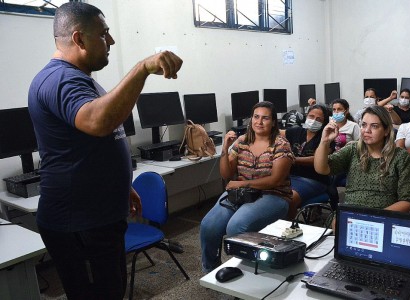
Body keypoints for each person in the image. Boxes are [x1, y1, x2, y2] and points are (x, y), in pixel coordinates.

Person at [27, 3, 182, 298]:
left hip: (96, 218)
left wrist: (121, 187)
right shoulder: (61, 80)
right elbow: (98, 122)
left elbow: (97, 140)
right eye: (104, 34)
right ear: (79, 39)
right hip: (79, 224)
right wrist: (142, 68)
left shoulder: (80, 80)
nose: (111, 41)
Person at [200, 101, 294, 273]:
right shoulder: (242, 141)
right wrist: (225, 149)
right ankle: (210, 270)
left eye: (265, 118)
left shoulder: (281, 144)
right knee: (209, 226)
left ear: (273, 122)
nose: (259, 122)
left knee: (236, 226)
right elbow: (227, 175)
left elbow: (275, 180)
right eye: (256, 117)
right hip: (242, 194)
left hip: (273, 195)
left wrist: (242, 183)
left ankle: (244, 272)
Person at [314, 105, 410, 211]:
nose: (366, 130)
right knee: (335, 223)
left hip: (384, 216)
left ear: (386, 130)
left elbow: (408, 200)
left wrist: (373, 218)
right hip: (351, 213)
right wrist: (324, 141)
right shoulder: (353, 149)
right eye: (363, 125)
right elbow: (321, 169)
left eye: (374, 126)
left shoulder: (401, 157)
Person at [282, 104, 333, 219]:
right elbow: (275, 133)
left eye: (318, 119)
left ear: (324, 122)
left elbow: (316, 159)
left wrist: (293, 160)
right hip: (291, 176)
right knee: (270, 194)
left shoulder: (326, 138)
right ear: (306, 116)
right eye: (311, 116)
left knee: (290, 199)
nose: (313, 121)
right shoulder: (297, 132)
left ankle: (288, 229)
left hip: (314, 180)